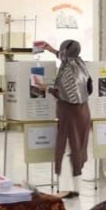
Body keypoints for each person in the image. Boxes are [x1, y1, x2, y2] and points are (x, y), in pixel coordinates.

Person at [38, 39, 92, 198]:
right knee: (78, 148)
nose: (60, 53)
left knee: (69, 148)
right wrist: (50, 49)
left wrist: (45, 88)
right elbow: (62, 57)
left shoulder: (68, 70)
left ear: (65, 52)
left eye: (61, 51)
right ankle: (74, 187)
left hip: (70, 112)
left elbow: (66, 94)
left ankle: (71, 189)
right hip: (82, 111)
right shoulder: (79, 62)